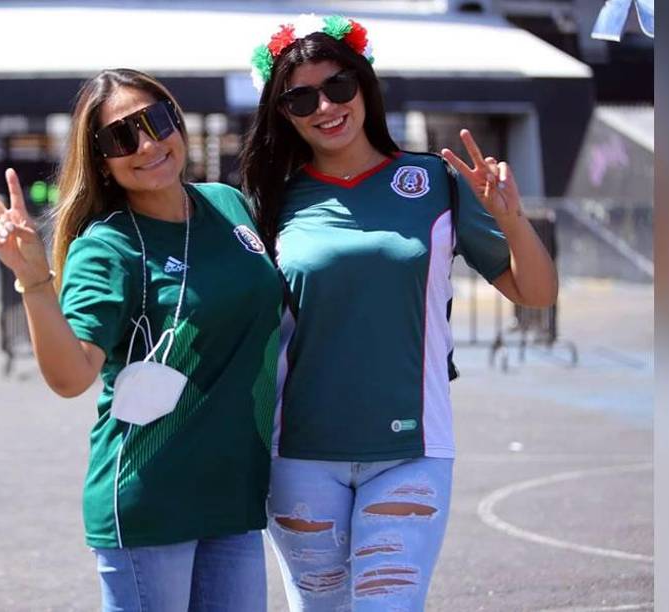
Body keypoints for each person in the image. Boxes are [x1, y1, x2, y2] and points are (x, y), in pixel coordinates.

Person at [239, 15, 559, 611]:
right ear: (281, 112)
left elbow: (535, 294)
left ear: (365, 85)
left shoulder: (437, 180)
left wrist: (512, 219)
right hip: (299, 454)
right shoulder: (270, 199)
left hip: (413, 450)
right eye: (301, 97)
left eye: (338, 86)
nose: (325, 107)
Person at [0, 69, 281, 612]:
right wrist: (34, 282)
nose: (147, 144)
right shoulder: (107, 246)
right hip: (151, 498)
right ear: (101, 160)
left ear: (176, 119)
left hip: (234, 494)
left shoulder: (229, 205)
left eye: (155, 122)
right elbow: (71, 377)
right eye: (120, 137)